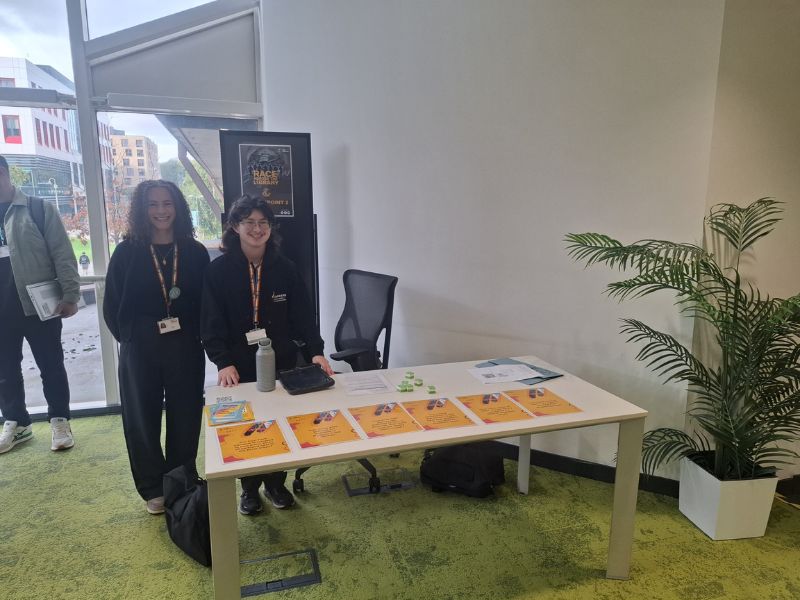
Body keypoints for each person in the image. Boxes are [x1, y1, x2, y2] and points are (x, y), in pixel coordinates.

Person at [202, 195, 333, 515]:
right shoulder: (218, 271)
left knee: (280, 422)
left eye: (263, 223)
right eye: (249, 222)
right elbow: (211, 319)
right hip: (238, 361)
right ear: (235, 227)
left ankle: (276, 483)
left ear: (271, 228)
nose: (257, 229)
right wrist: (222, 361)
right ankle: (248, 489)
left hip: (281, 357)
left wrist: (316, 352)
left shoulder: (285, 268)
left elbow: (303, 315)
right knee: (246, 424)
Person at [103, 180, 210, 515]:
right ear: (141, 210)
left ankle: (180, 479)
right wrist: (132, 340)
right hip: (141, 347)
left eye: (168, 203)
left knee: (186, 414)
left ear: (178, 207)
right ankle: (152, 487)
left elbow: (207, 302)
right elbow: (112, 306)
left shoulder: (194, 252)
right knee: (141, 417)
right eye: (153, 204)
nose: (161, 211)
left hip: (185, 346)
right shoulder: (127, 251)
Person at [0, 155, 79, 454]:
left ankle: (60, 419)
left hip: (39, 306)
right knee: (5, 369)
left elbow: (62, 252)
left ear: (5, 173)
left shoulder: (36, 208)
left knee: (51, 365)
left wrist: (70, 295)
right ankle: (17, 422)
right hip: (1, 310)